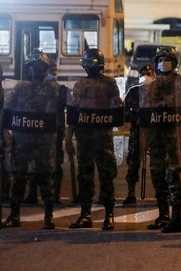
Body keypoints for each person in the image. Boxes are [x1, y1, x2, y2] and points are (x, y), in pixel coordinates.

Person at [66, 48, 124, 230]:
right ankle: (86, 214)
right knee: (85, 178)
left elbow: (117, 111)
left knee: (106, 177)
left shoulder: (110, 84)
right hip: (85, 140)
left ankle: (109, 215)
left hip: (102, 139)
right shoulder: (80, 85)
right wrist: (68, 139)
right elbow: (74, 114)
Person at [140, 47, 181, 233]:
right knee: (157, 178)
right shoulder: (152, 84)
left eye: (167, 59)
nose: (164, 62)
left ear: (174, 61)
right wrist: (145, 139)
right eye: (161, 59)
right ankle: (163, 216)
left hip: (173, 138)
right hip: (156, 139)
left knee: (173, 177)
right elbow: (147, 113)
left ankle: (176, 219)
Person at [1, 50, 59, 229]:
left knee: (45, 179)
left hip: (43, 142)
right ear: (29, 69)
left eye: (41, 67)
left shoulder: (53, 89)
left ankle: (48, 217)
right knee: (19, 178)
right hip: (22, 141)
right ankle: (14, 215)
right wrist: (4, 133)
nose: (38, 71)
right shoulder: (20, 88)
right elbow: (8, 112)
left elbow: (56, 116)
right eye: (35, 67)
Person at [23, 63, 68, 204]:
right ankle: (32, 193)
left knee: (55, 164)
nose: (53, 73)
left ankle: (55, 195)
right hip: (36, 131)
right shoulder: (31, 89)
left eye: (55, 70)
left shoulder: (60, 90)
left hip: (53, 133)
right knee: (34, 164)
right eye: (51, 70)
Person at [121, 63, 155, 205]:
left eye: (148, 74)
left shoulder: (158, 91)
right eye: (143, 74)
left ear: (153, 76)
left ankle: (161, 193)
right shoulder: (134, 92)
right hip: (137, 131)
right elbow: (125, 113)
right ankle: (131, 193)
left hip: (154, 133)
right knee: (133, 163)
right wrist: (136, 117)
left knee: (158, 164)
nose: (146, 77)